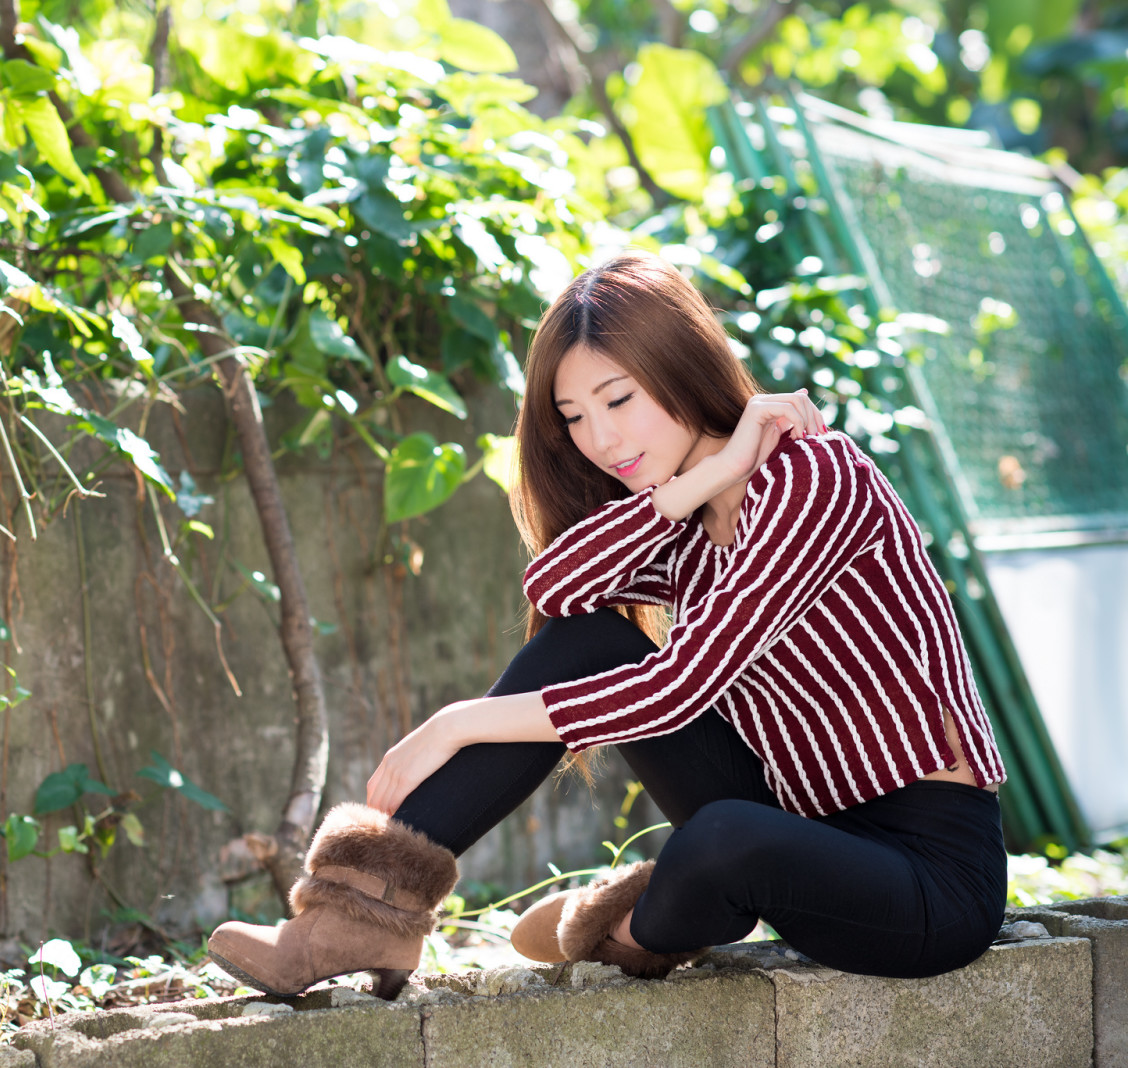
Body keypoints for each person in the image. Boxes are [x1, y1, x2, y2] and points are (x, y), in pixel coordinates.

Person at [205, 251, 1008, 1000]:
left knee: (723, 839)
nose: (602, 440)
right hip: (797, 828)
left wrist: (455, 724)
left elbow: (678, 687)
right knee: (591, 642)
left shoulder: (813, 480)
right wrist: (703, 480)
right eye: (575, 417)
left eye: (618, 399)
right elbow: (558, 587)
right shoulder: (691, 522)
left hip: (925, 879)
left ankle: (623, 922)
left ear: (684, 367)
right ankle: (362, 916)